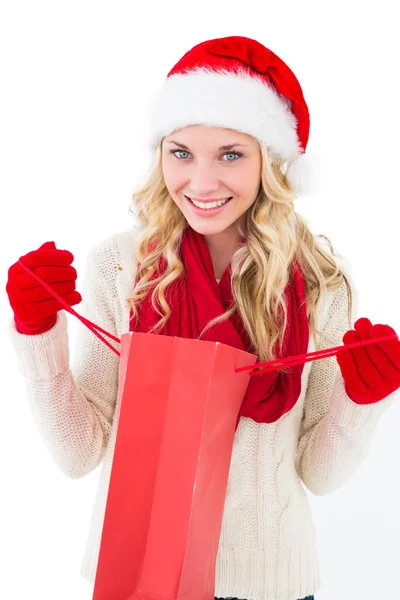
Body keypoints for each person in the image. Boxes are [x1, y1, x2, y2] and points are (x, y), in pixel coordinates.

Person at [5, 35, 400, 600]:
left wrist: (365, 402)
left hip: (271, 587)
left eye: (231, 154)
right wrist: (37, 335)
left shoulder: (319, 284)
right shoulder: (121, 268)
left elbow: (318, 472)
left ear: (272, 162)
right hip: (139, 576)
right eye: (181, 152)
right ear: (160, 152)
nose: (202, 182)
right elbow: (79, 453)